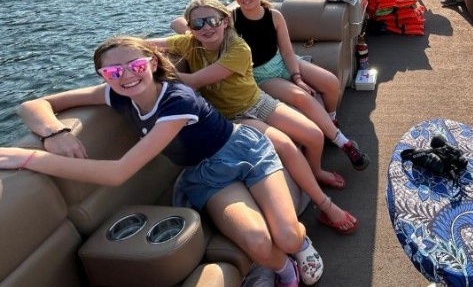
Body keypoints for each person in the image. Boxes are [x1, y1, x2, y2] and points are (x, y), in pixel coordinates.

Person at [0, 36, 321, 287]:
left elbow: (118, 172)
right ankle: (284, 267)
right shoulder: (114, 94)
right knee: (258, 242)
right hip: (207, 175)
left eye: (135, 65)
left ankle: (299, 242)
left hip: (243, 151)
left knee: (288, 237)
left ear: (152, 63)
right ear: (104, 76)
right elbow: (34, 103)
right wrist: (53, 131)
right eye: (113, 72)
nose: (125, 76)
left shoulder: (176, 102)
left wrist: (29, 157)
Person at [162, 0, 361, 236]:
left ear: (225, 21)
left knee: (315, 134)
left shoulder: (238, 48)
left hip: (258, 101)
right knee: (286, 145)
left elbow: (195, 81)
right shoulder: (188, 44)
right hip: (233, 116)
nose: (206, 27)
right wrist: (135, 62)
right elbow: (152, 42)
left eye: (212, 20)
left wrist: (159, 74)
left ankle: (316, 171)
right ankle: (325, 205)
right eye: (197, 24)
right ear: (191, 28)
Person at [227, 0, 370, 172]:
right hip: (261, 74)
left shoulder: (274, 16)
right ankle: (344, 144)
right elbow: (187, 26)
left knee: (330, 82)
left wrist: (297, 77)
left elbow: (286, 51)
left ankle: (330, 120)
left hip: (283, 60)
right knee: (301, 96)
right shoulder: (231, 21)